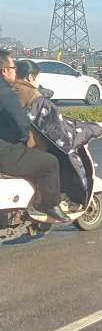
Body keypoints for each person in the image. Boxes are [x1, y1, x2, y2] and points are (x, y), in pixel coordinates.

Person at [0, 50, 69, 223]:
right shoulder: (7, 93)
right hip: (6, 154)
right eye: (13, 69)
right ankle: (48, 205)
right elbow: (21, 124)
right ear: (4, 71)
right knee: (50, 162)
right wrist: (25, 139)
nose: (15, 72)